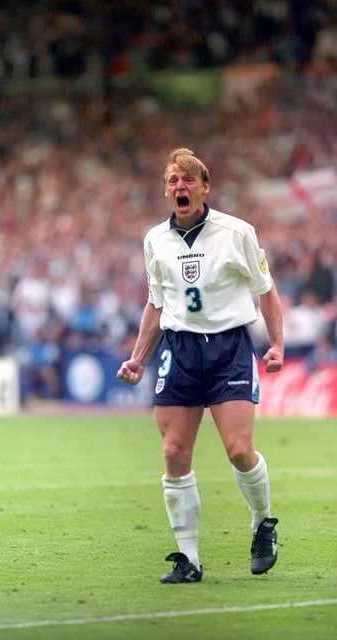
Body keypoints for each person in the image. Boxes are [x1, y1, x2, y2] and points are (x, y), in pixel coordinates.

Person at [117, 148, 284, 583]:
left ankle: (263, 523)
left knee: (238, 450)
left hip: (229, 347)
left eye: (188, 180)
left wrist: (277, 344)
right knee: (174, 452)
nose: (180, 187)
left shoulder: (237, 232)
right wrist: (138, 357)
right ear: (166, 190)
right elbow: (156, 303)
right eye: (173, 181)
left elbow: (266, 291)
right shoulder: (155, 240)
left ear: (205, 187)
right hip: (179, 350)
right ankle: (189, 559)